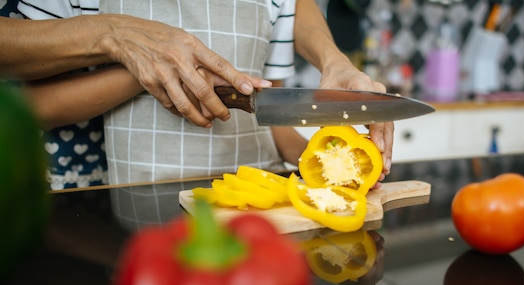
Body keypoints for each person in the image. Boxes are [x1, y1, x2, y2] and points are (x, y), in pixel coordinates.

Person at [4, 0, 394, 187]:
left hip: (258, 214)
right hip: (141, 212)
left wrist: (325, 162)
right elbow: (32, 104)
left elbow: (267, 115)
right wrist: (142, 72)